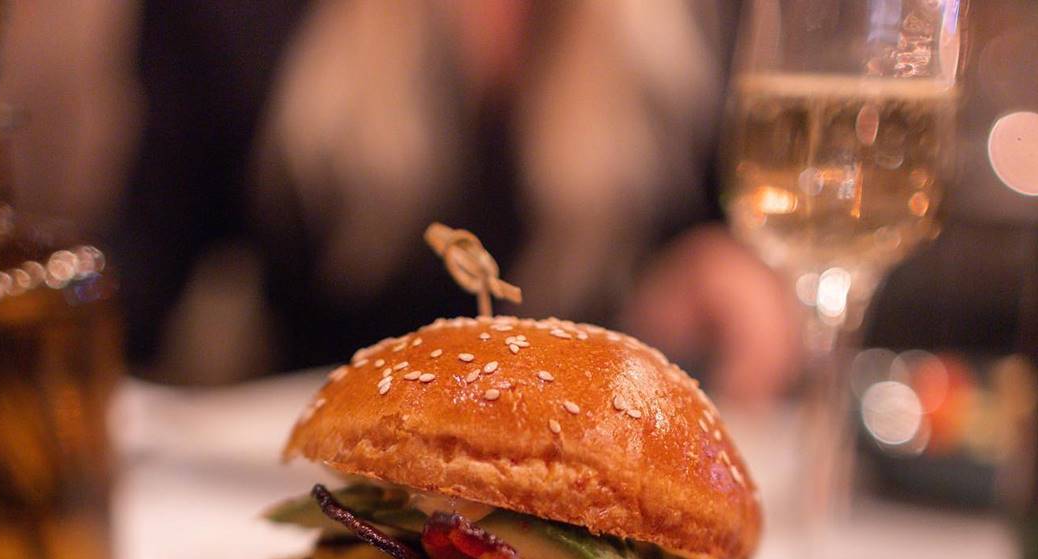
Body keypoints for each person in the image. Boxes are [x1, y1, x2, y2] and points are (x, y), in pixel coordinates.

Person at [112, 0, 801, 402]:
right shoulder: (238, 17)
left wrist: (744, 271)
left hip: (599, 485)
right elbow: (135, 274)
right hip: (332, 483)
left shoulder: (714, 24)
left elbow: (742, 235)